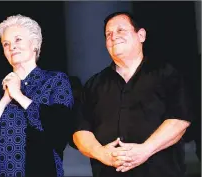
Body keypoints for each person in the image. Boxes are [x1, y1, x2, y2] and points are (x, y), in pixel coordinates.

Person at [73, 11, 194, 177]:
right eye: (108, 34)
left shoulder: (166, 74)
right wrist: (102, 153)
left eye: (121, 30)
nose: (113, 37)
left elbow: (180, 120)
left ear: (141, 35)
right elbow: (80, 131)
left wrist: (145, 150)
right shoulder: (93, 85)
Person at [0, 14, 74, 177]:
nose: (11, 47)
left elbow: (58, 132)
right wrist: (5, 99)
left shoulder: (55, 80)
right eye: (6, 44)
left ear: (35, 44)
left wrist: (19, 95)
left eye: (18, 40)